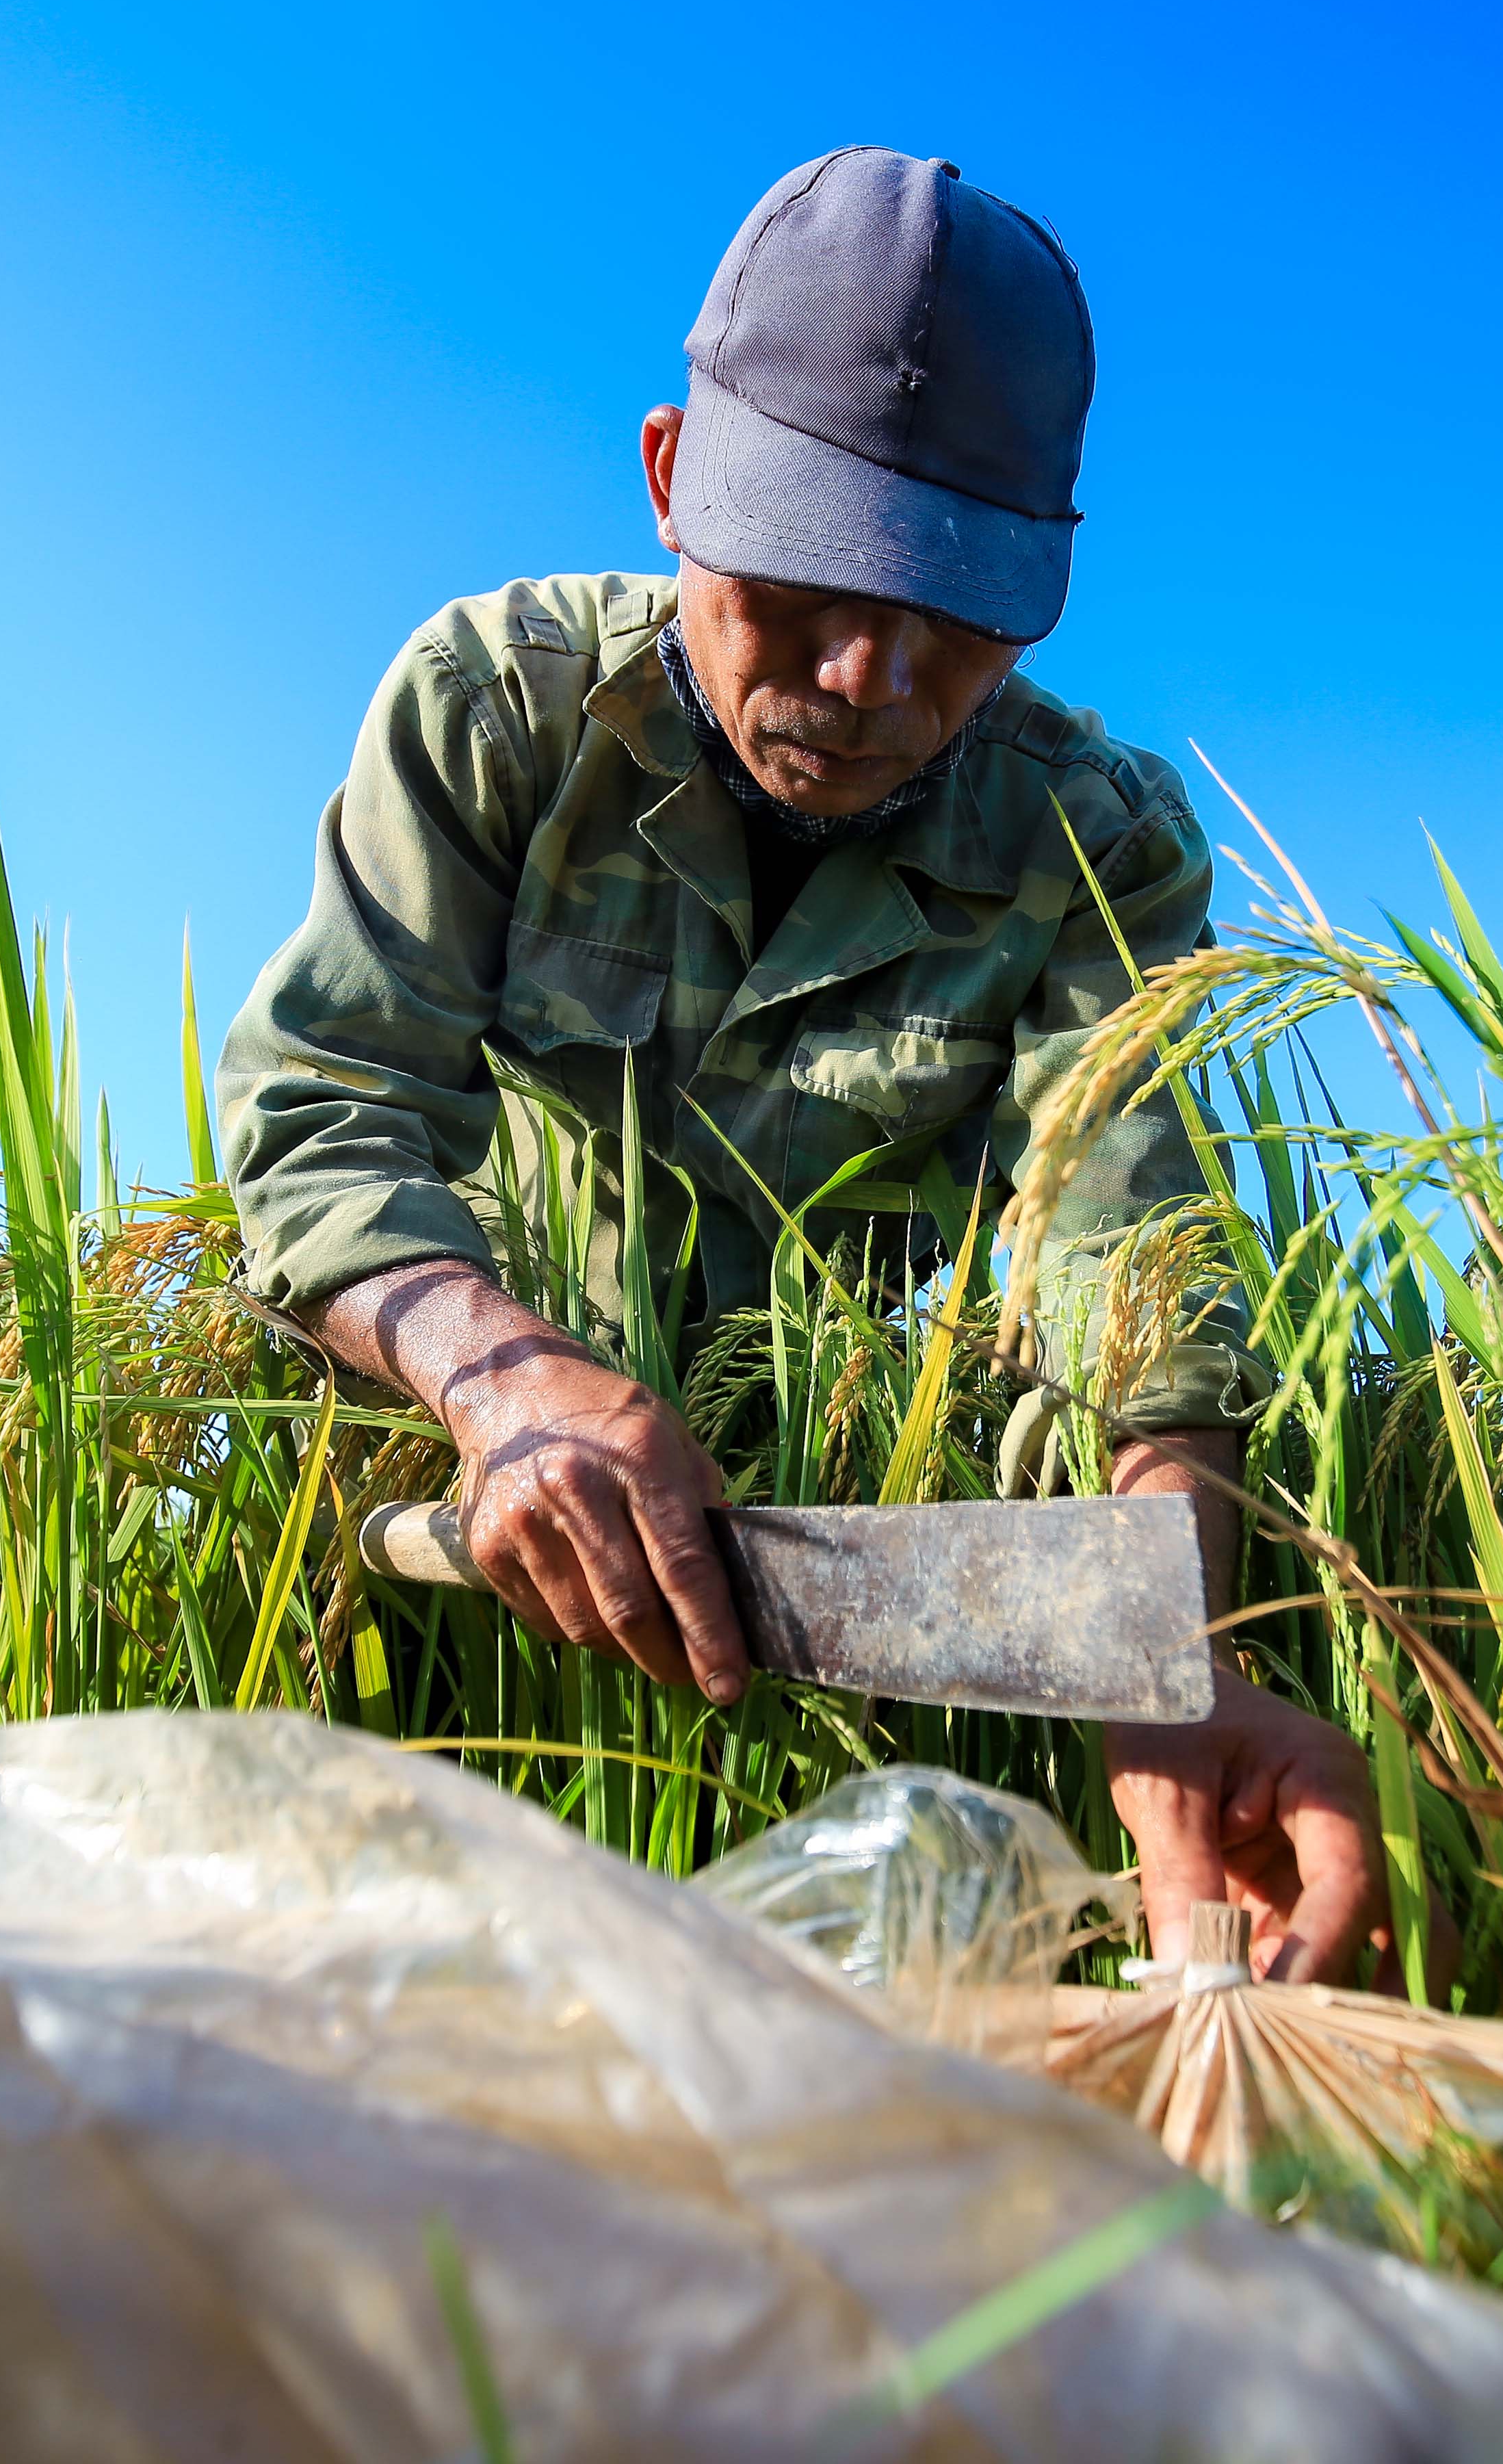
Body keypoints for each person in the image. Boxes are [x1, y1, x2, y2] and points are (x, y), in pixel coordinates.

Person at [219, 146, 1394, 1984]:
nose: (872, 675)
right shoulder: (497, 713)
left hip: (812, 1516)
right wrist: (502, 1382)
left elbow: (1131, 1271)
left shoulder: (1094, 842)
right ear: (677, 480)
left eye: (958, 613)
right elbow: (326, 1114)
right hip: (461, 1486)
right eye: (814, 581)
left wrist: (1169, 1667)